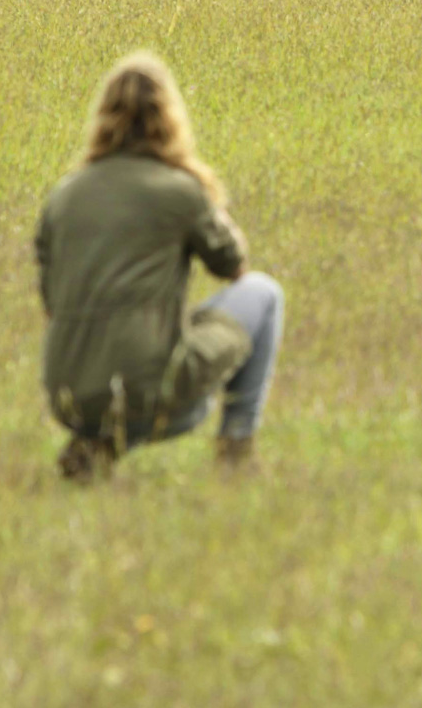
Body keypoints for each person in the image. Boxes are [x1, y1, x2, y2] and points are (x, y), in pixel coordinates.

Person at [36, 52, 284, 480]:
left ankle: (95, 448)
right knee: (264, 294)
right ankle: (236, 455)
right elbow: (234, 268)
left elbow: (51, 303)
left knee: (147, 361)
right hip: (146, 390)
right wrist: (207, 199)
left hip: (67, 394)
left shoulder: (64, 196)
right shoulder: (180, 191)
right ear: (171, 117)